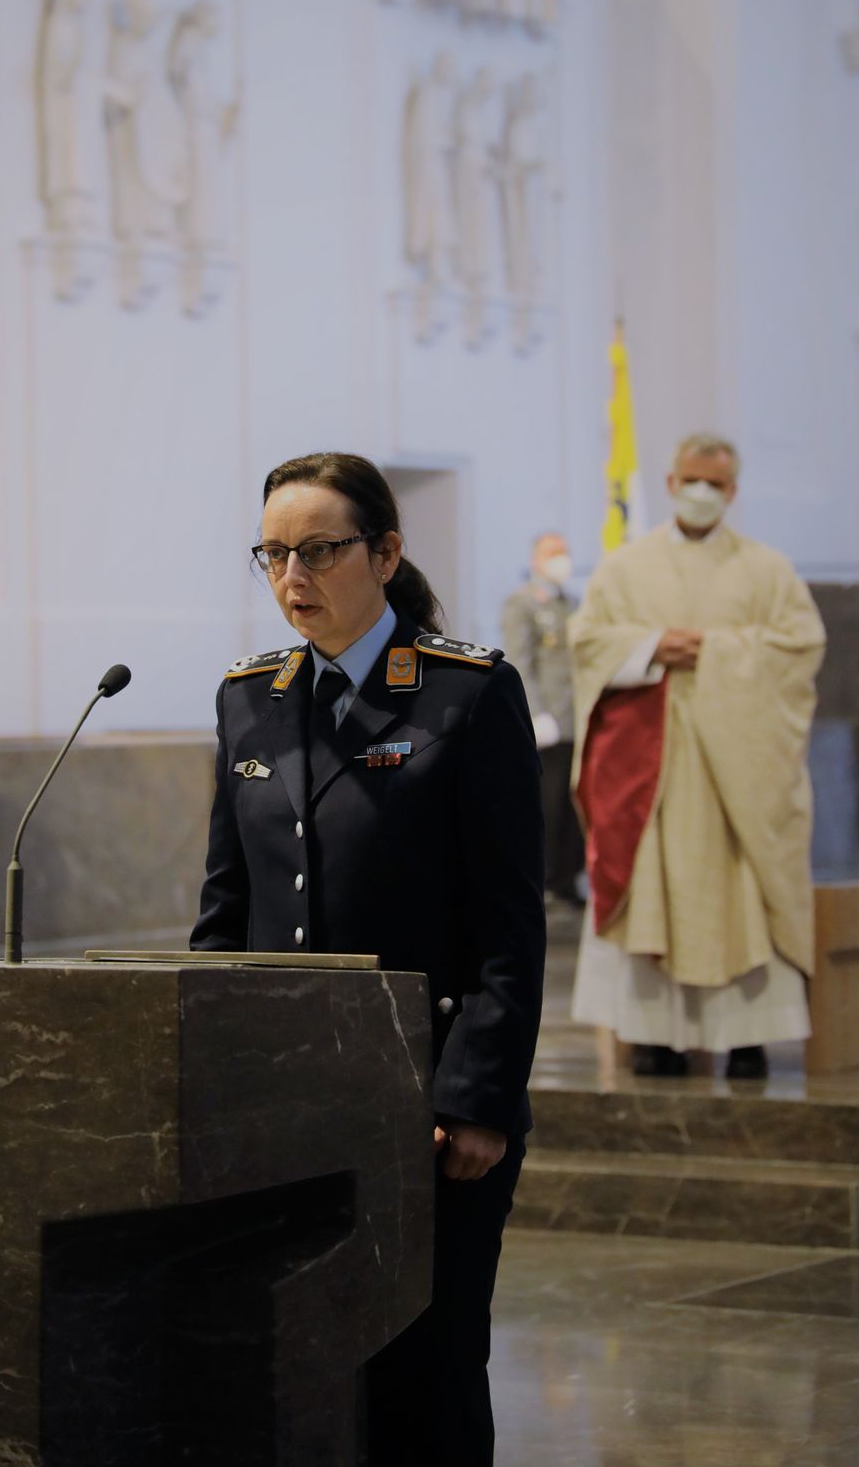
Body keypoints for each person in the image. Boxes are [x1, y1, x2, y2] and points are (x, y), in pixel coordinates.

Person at [192, 452, 545, 1466]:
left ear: (385, 553)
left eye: (318, 550)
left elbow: (509, 923)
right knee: (290, 1365)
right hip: (284, 1097)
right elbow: (227, 908)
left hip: (427, 1101)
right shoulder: (249, 700)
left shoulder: (466, 694)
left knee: (422, 1368)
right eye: (272, 554)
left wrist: (477, 1096)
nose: (291, 576)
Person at [568, 433, 825, 1080]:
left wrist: (714, 652)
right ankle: (658, 1036)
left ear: (733, 491)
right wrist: (652, 647)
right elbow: (588, 643)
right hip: (652, 774)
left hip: (737, 774)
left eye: (717, 483)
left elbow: (799, 649)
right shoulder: (625, 568)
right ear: (671, 482)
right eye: (692, 479)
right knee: (656, 895)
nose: (703, 492)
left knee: (741, 900)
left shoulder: (767, 570)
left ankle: (746, 1037)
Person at [501, 531, 585, 908]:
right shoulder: (523, 604)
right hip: (548, 724)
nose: (560, 559)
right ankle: (547, 884)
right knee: (548, 806)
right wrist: (535, 713)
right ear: (535, 560)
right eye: (552, 553)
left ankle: (568, 879)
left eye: (563, 552)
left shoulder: (572, 604)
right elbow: (520, 660)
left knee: (574, 805)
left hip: (577, 722)